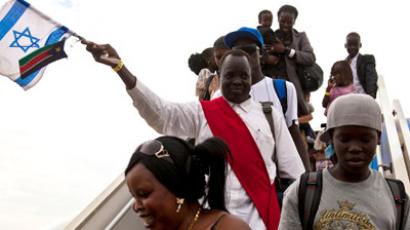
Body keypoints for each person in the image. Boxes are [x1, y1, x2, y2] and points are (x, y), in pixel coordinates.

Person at [83, 41, 304, 230]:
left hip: (264, 222)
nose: (237, 81)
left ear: (251, 78)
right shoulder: (202, 112)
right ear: (219, 76)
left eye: (243, 76)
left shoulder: (269, 115)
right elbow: (162, 114)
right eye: (230, 75)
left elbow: (293, 171)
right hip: (212, 222)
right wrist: (122, 70)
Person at [279, 94, 410, 229]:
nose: (355, 148)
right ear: (331, 138)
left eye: (365, 139)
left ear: (378, 138)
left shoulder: (396, 196)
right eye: (345, 139)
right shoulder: (304, 190)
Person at [223, 27, 312, 171]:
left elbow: (294, 134)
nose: (244, 55)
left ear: (261, 53)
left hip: (276, 182)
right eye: (237, 51)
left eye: (250, 49)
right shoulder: (221, 96)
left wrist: (308, 178)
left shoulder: (283, 89)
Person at [125, 136, 251, 229]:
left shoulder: (228, 227)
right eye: (134, 196)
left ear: (178, 187)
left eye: (143, 194)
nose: (136, 207)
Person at [272, 4, 316, 116]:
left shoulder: (301, 37)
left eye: (289, 22)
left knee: (293, 121)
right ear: (278, 19)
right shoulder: (270, 36)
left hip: (293, 88)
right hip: (272, 86)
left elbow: (310, 57)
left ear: (294, 21)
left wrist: (286, 50)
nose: (286, 25)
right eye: (282, 21)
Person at [345, 32, 378, 98]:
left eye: (355, 45)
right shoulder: (343, 64)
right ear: (345, 46)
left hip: (363, 97)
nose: (352, 47)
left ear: (360, 45)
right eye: (350, 45)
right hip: (347, 98)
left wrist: (371, 96)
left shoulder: (367, 59)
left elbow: (371, 78)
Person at [256, 9, 277, 78]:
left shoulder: (256, 32)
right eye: (265, 20)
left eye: (270, 21)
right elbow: (274, 42)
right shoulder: (268, 31)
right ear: (259, 21)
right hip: (267, 55)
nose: (268, 23)